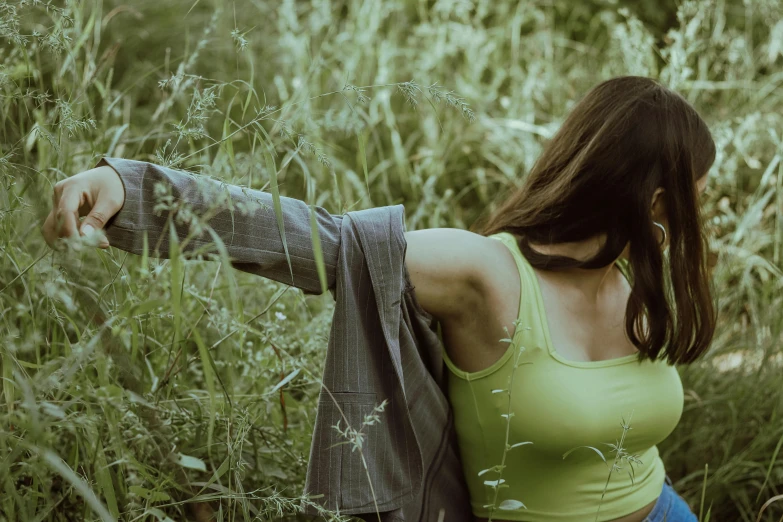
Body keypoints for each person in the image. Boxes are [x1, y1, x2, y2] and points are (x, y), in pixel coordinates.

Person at [41, 76, 713, 522]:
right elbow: (320, 241)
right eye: (695, 188)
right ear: (652, 194)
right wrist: (137, 191)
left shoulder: (638, 285)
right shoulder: (485, 275)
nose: (702, 205)